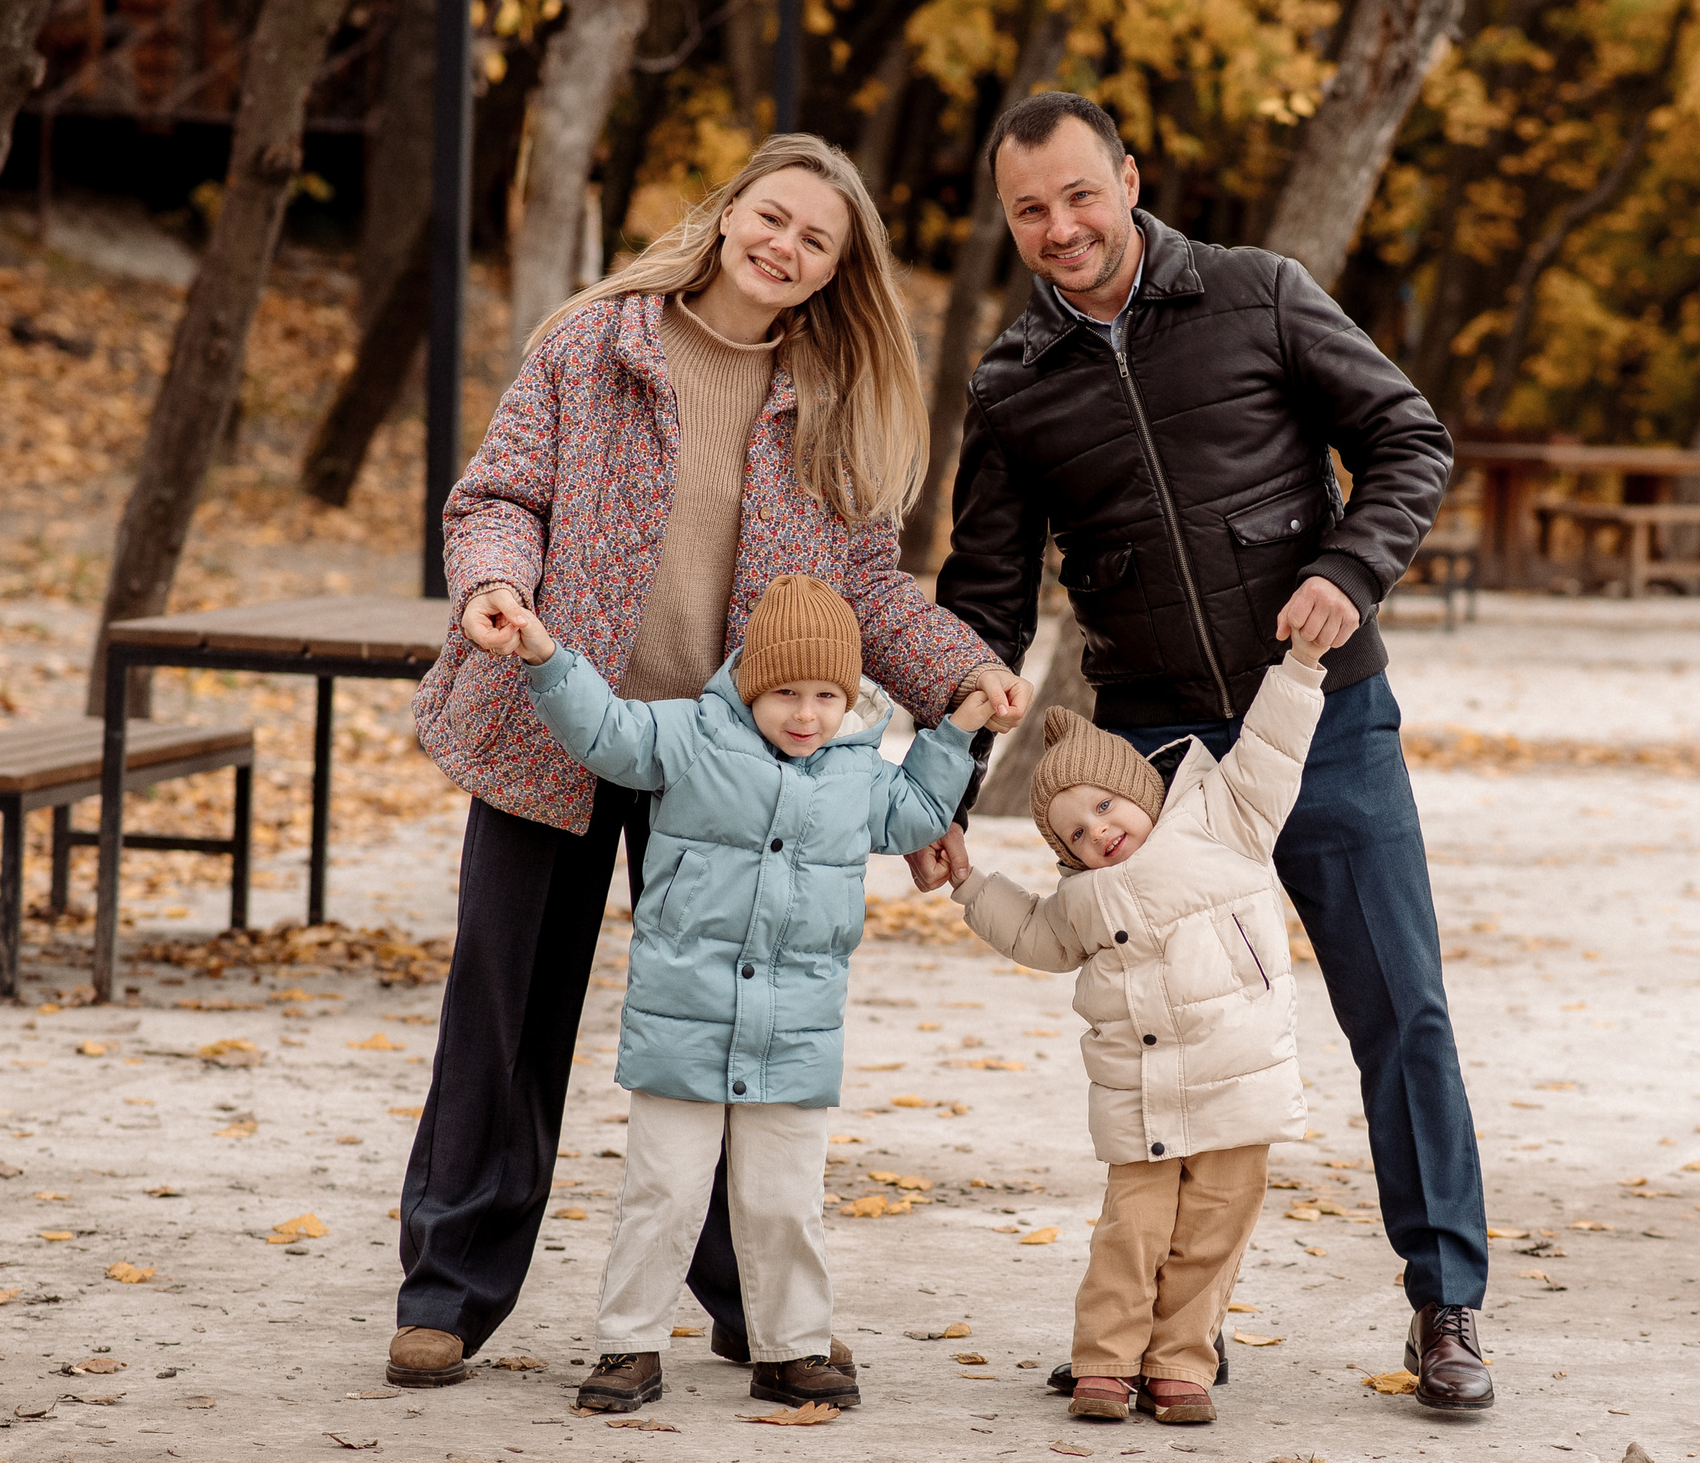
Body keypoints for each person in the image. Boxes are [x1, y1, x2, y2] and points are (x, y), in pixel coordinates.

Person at [393, 135, 1034, 1390]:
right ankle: (448, 1294)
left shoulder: (833, 397)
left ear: (832, 272)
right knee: (504, 1013)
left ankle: (754, 1311)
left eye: (815, 240)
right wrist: (496, 587)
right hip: (560, 720)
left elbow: (861, 592)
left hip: (731, 766)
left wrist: (956, 675)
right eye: (771, 216)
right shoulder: (596, 344)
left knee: (735, 1016)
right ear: (729, 210)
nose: (782, 245)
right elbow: (497, 498)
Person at [914, 92, 1495, 1410]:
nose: (1059, 225)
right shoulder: (1013, 383)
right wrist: (935, 780)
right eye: (1029, 209)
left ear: (1129, 175)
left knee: (1398, 1003)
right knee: (1169, 1042)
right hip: (1152, 758)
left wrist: (1352, 566)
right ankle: (1179, 1326)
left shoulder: (1259, 294)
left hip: (1321, 716)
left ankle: (1445, 1298)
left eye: (1078, 193)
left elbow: (1409, 435)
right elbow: (985, 599)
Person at [480, 575, 1003, 1413]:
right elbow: (609, 730)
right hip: (682, 1018)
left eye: (828, 694)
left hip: (795, 1027)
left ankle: (792, 1347)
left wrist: (962, 728)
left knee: (785, 1198)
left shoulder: (856, 771)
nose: (807, 712)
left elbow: (915, 814)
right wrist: (546, 657)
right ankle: (630, 1343)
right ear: (751, 680)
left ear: (850, 694)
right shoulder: (690, 734)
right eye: (786, 691)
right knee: (663, 1190)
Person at [948, 625, 1329, 1426]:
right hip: (1143, 1090)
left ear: (1141, 789)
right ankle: (1107, 1360)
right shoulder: (1083, 898)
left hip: (1238, 1076)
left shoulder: (1226, 817)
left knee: (1213, 1234)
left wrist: (1299, 667)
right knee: (1133, 1232)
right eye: (1075, 834)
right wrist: (970, 882)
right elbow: (1036, 936)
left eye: (1105, 805)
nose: (1098, 832)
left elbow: (1273, 746)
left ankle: (1182, 1361)